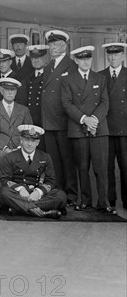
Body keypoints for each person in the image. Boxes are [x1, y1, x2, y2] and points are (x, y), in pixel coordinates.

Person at [61, 45, 114, 214]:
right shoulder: (67, 79)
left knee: (101, 168)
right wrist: (85, 120)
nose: (86, 61)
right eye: (82, 59)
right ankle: (85, 201)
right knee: (82, 168)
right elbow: (67, 104)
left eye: (88, 58)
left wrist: (94, 121)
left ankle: (103, 202)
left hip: (98, 129)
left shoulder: (100, 78)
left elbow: (105, 102)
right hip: (78, 129)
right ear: (76, 60)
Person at [41, 29, 78, 206]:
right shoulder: (48, 67)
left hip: (64, 121)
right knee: (54, 161)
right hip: (49, 121)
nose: (52, 48)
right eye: (51, 45)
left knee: (67, 160)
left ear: (64, 46)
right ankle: (58, 192)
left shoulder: (71, 66)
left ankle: (71, 195)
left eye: (55, 45)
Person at [0, 125, 67, 219]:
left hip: (36, 194)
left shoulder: (45, 157)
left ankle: (20, 209)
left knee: (61, 196)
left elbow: (51, 181)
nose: (29, 144)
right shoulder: (10, 157)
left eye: (33, 141)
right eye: (26, 140)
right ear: (21, 140)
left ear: (38, 142)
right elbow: (4, 179)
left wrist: (39, 192)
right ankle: (41, 212)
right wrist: (20, 189)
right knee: (4, 193)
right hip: (19, 194)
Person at [101, 42, 127, 209]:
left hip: (125, 129)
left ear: (123, 56)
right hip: (106, 129)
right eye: (110, 55)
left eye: (116, 54)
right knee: (107, 168)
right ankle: (110, 200)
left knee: (126, 167)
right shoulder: (100, 76)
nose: (112, 57)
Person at [0, 77, 33, 162]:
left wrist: (19, 148)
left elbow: (28, 132)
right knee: (2, 156)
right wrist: (5, 148)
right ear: (1, 91)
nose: (10, 93)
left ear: (16, 92)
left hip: (19, 147)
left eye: (13, 90)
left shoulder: (24, 110)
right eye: (7, 90)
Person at [25, 45, 50, 148]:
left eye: (39, 57)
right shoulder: (28, 77)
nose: (36, 60)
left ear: (45, 58)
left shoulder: (50, 76)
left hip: (45, 122)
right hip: (31, 121)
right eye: (33, 58)